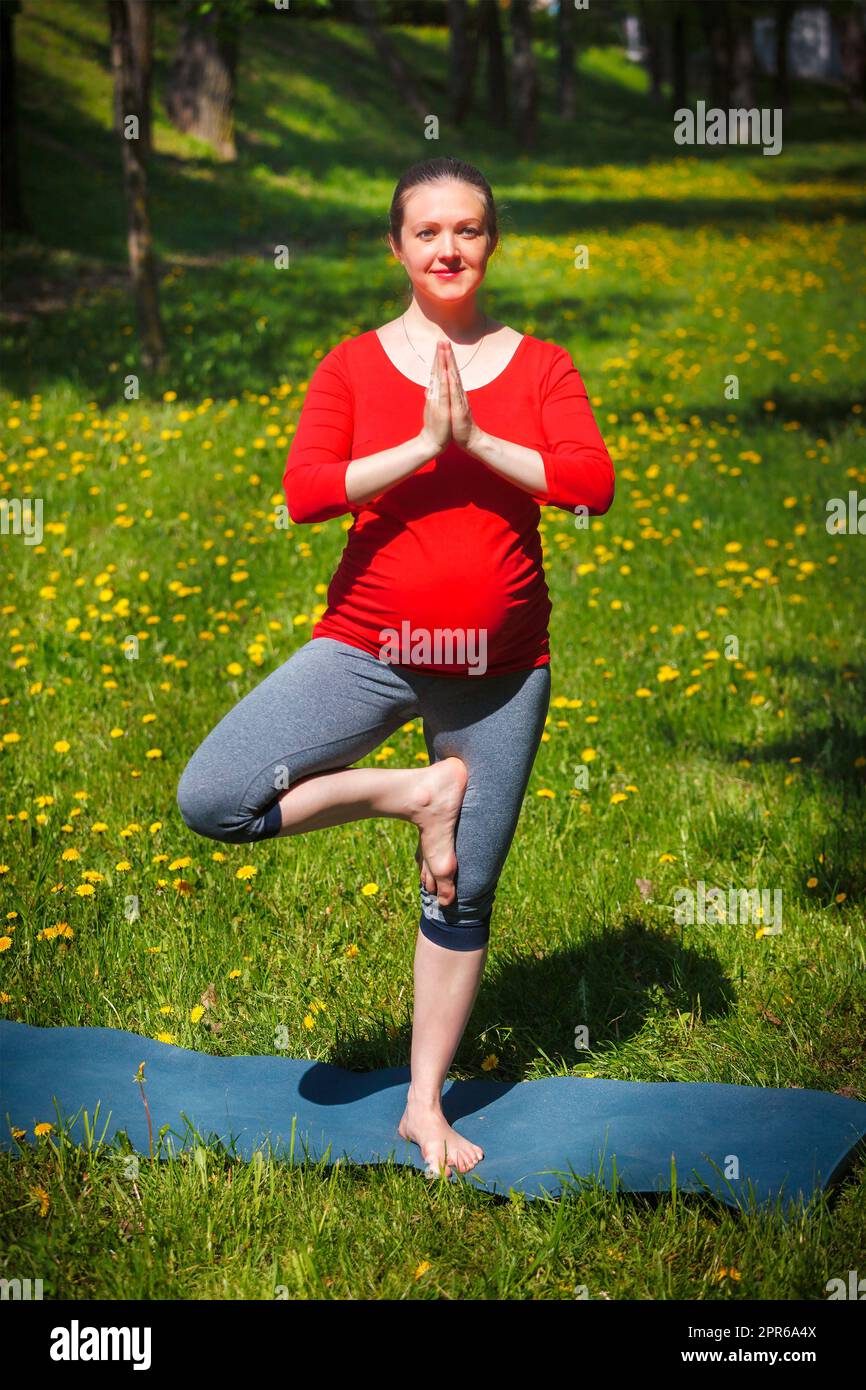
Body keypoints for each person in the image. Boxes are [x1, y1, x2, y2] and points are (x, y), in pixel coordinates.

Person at [176, 156, 615, 1179]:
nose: (448, 248)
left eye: (467, 229)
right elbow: (305, 492)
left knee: (462, 897)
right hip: (369, 650)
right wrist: (423, 443)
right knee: (215, 798)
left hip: (499, 670)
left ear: (490, 242)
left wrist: (477, 438)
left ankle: (424, 1105)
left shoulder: (541, 365)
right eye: (428, 232)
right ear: (397, 247)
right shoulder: (352, 365)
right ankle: (415, 795)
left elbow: (590, 484)